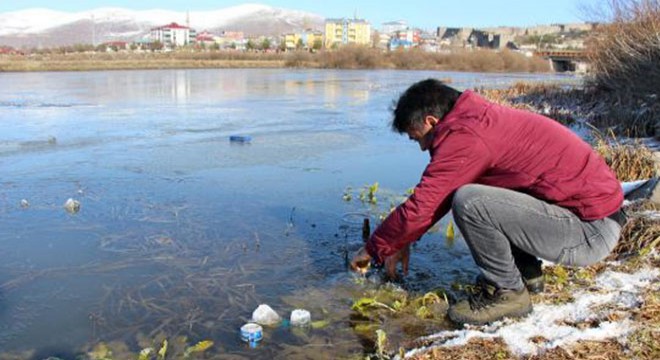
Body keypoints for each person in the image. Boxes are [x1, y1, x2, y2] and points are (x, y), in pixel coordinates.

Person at [350, 79, 625, 326]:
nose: (422, 148)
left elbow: (425, 205)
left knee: (470, 201)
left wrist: (373, 249)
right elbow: (433, 201)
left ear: (432, 121)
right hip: (589, 218)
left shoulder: (468, 138)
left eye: (417, 138)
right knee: (480, 188)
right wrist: (400, 240)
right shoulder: (479, 118)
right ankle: (526, 274)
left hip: (590, 232)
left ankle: (509, 294)